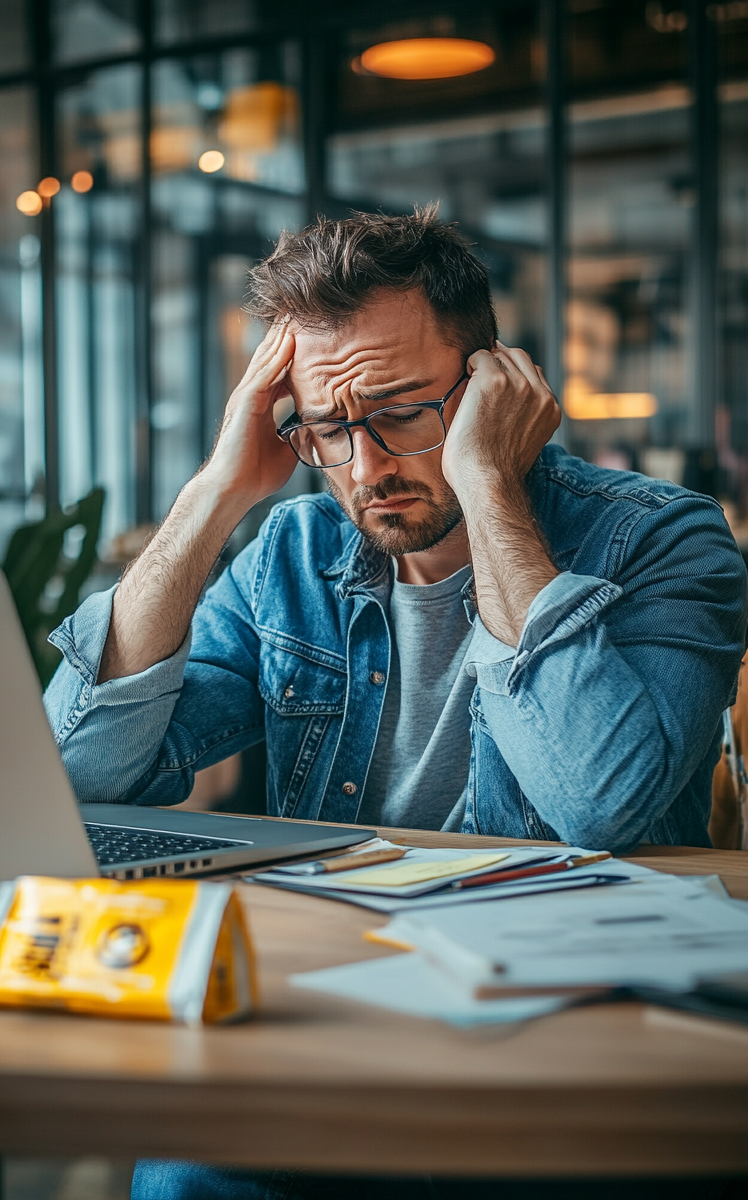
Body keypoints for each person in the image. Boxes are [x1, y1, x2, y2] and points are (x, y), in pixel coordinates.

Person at [43, 208, 747, 1200]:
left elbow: (601, 802)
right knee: (187, 1177)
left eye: (402, 411)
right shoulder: (292, 557)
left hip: (572, 1044)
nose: (365, 469)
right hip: (332, 1015)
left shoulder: (665, 543)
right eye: (327, 427)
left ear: (492, 385)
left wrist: (488, 482)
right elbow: (73, 776)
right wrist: (214, 491)